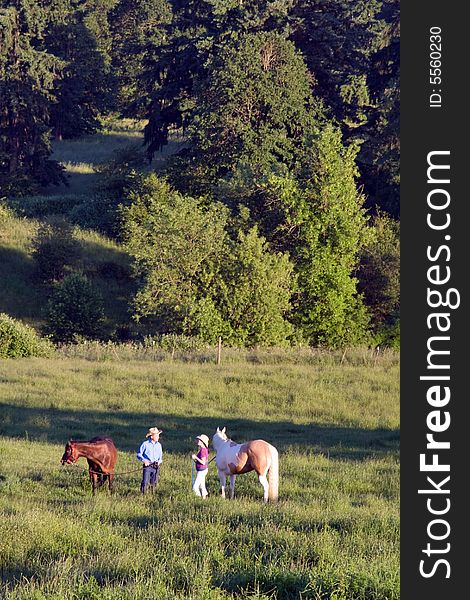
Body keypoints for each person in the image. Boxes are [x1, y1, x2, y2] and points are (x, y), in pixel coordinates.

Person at [137, 427, 163, 494]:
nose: (158, 437)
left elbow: (160, 457)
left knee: (154, 482)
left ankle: (152, 494)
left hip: (156, 466)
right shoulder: (145, 444)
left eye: (158, 435)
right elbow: (139, 454)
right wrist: (144, 460)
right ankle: (143, 494)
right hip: (147, 466)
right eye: (156, 435)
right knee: (145, 481)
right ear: (151, 436)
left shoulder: (159, 445)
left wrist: (159, 462)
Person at [192, 434, 209, 498]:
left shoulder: (203, 451)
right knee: (202, 485)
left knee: (195, 487)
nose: (198, 441)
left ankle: (198, 498)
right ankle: (204, 499)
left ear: (202, 442)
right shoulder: (204, 449)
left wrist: (195, 457)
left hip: (201, 471)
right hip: (203, 470)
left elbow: (203, 462)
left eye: (199, 440)